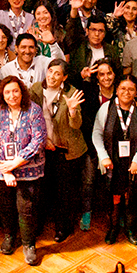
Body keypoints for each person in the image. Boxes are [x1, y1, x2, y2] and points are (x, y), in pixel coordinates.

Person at [0, 76, 46, 266]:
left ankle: (29, 244)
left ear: (22, 92)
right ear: (2, 94)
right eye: (8, 92)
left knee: (25, 209)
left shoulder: (34, 110)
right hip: (0, 171)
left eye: (15, 91)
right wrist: (6, 170)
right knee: (6, 206)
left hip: (28, 171)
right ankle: (10, 236)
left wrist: (16, 163)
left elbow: (39, 140)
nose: (12, 95)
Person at [31, 59, 86, 243]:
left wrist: (72, 111)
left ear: (64, 77)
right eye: (50, 71)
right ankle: (39, 225)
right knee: (43, 190)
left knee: (65, 192)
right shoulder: (36, 89)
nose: (52, 76)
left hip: (67, 150)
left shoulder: (72, 93)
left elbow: (77, 125)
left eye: (57, 73)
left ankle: (63, 227)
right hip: (44, 148)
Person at [93, 75, 137, 245]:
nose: (126, 92)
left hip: (133, 164)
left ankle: (131, 228)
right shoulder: (106, 108)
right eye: (123, 88)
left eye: (131, 89)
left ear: (136, 92)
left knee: (131, 197)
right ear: (117, 90)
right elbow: (96, 133)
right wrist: (103, 156)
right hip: (111, 162)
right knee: (113, 198)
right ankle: (113, 228)